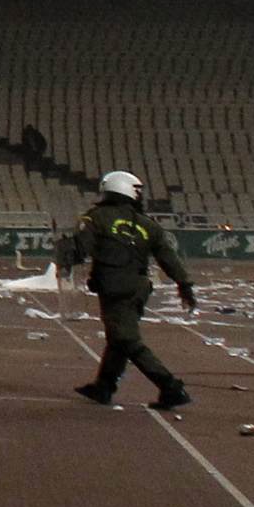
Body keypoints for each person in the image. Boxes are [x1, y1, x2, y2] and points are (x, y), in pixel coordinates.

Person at [57, 169, 195, 410]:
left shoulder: (96, 217)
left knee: (126, 339)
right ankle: (104, 386)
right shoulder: (148, 224)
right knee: (117, 337)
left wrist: (64, 250)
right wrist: (184, 286)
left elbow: (80, 250)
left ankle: (171, 387)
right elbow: (168, 257)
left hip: (113, 288)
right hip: (139, 289)